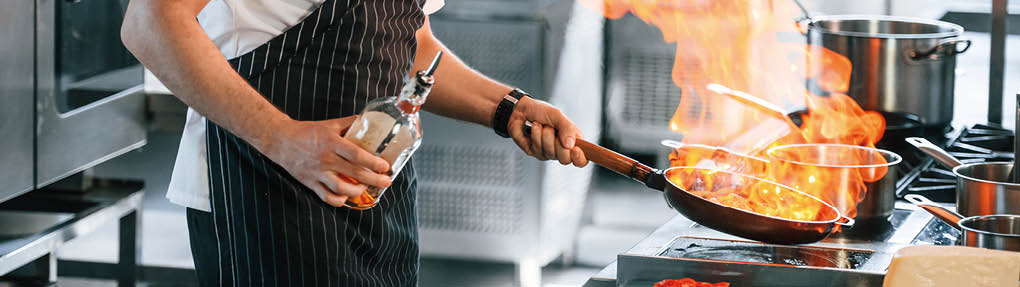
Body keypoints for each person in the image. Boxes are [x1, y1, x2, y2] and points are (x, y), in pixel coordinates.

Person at [121, 0, 589, 285]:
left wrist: (507, 107)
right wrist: (284, 140)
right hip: (260, 196)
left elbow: (410, 45)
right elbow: (148, 22)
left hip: (377, 201)